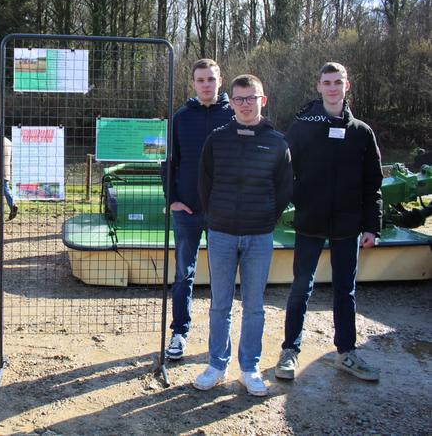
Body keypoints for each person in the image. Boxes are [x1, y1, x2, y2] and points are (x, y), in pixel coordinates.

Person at [275, 62, 383, 382]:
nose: (333, 87)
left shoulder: (362, 133)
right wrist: (298, 199)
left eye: (338, 82)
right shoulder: (302, 126)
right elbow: (283, 168)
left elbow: (372, 184)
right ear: (319, 87)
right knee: (300, 287)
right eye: (327, 82)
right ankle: (290, 351)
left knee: (344, 290)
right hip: (310, 221)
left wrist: (371, 225)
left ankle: (346, 353)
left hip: (348, 225)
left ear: (347, 86)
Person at [193, 75, 292, 396]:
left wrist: (265, 218)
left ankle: (249, 368)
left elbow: (284, 189)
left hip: (259, 237)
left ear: (263, 100)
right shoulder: (217, 139)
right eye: (239, 99)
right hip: (221, 234)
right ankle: (216, 365)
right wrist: (214, 216)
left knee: (254, 307)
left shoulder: (277, 143)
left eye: (251, 98)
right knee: (219, 305)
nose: (245, 104)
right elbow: (204, 183)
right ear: (231, 102)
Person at [161, 59, 233, 360]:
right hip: (187, 210)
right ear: (193, 83)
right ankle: (179, 332)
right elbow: (168, 162)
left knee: (223, 276)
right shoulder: (180, 117)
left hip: (223, 212)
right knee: (183, 275)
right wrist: (172, 199)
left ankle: (220, 338)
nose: (206, 84)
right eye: (201, 80)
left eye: (211, 79)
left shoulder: (234, 114)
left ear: (220, 81)